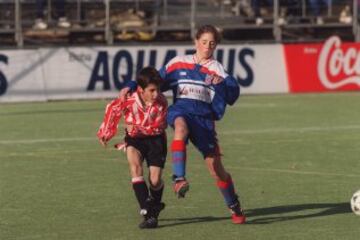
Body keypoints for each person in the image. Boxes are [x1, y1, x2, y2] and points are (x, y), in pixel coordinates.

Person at [120, 25, 246, 224]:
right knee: (180, 127)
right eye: (203, 42)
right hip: (181, 111)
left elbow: (233, 95)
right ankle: (179, 178)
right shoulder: (179, 63)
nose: (207, 47)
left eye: (212, 43)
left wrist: (219, 83)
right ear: (195, 41)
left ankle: (233, 204)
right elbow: (153, 79)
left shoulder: (217, 69)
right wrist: (131, 85)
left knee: (216, 168)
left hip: (204, 121)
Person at [97, 67, 168, 229]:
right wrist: (106, 132)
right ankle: (148, 212)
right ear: (141, 90)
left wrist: (136, 127)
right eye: (151, 91)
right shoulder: (129, 99)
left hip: (156, 140)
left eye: (157, 90)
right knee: (135, 168)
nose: (155, 94)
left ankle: (154, 207)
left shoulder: (162, 102)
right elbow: (112, 110)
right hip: (135, 140)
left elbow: (157, 127)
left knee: (155, 180)